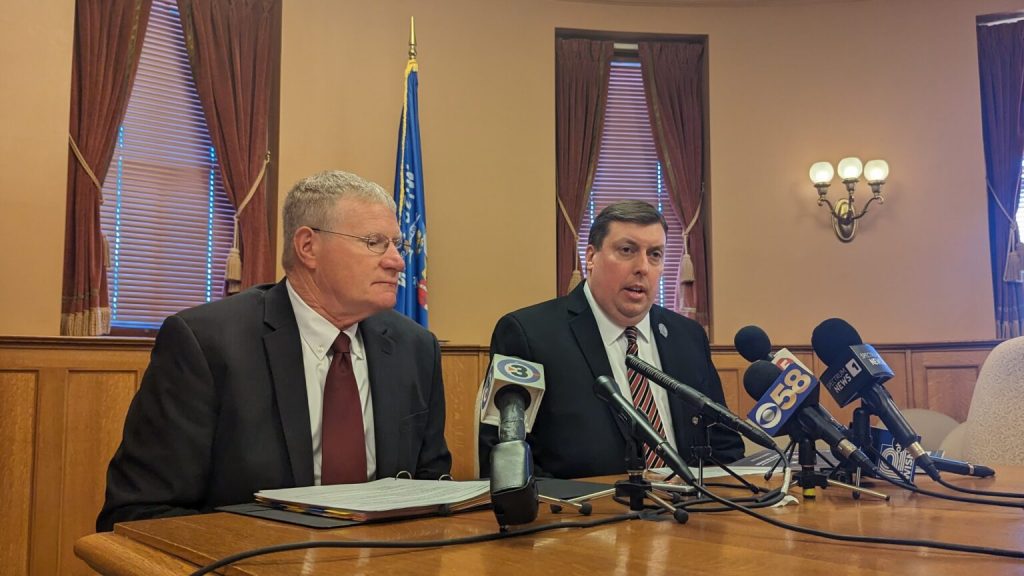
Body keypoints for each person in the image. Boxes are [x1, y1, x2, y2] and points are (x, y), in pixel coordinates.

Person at [97, 170, 451, 531]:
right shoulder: (207, 343)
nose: (397, 261)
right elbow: (138, 513)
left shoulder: (415, 348)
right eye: (375, 242)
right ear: (308, 246)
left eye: (397, 244)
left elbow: (431, 490)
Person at [479, 201, 743, 479]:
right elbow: (506, 463)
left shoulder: (687, 336)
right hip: (586, 516)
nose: (642, 267)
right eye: (627, 250)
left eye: (655, 254)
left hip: (693, 514)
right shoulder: (529, 335)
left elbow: (725, 446)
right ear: (591, 257)